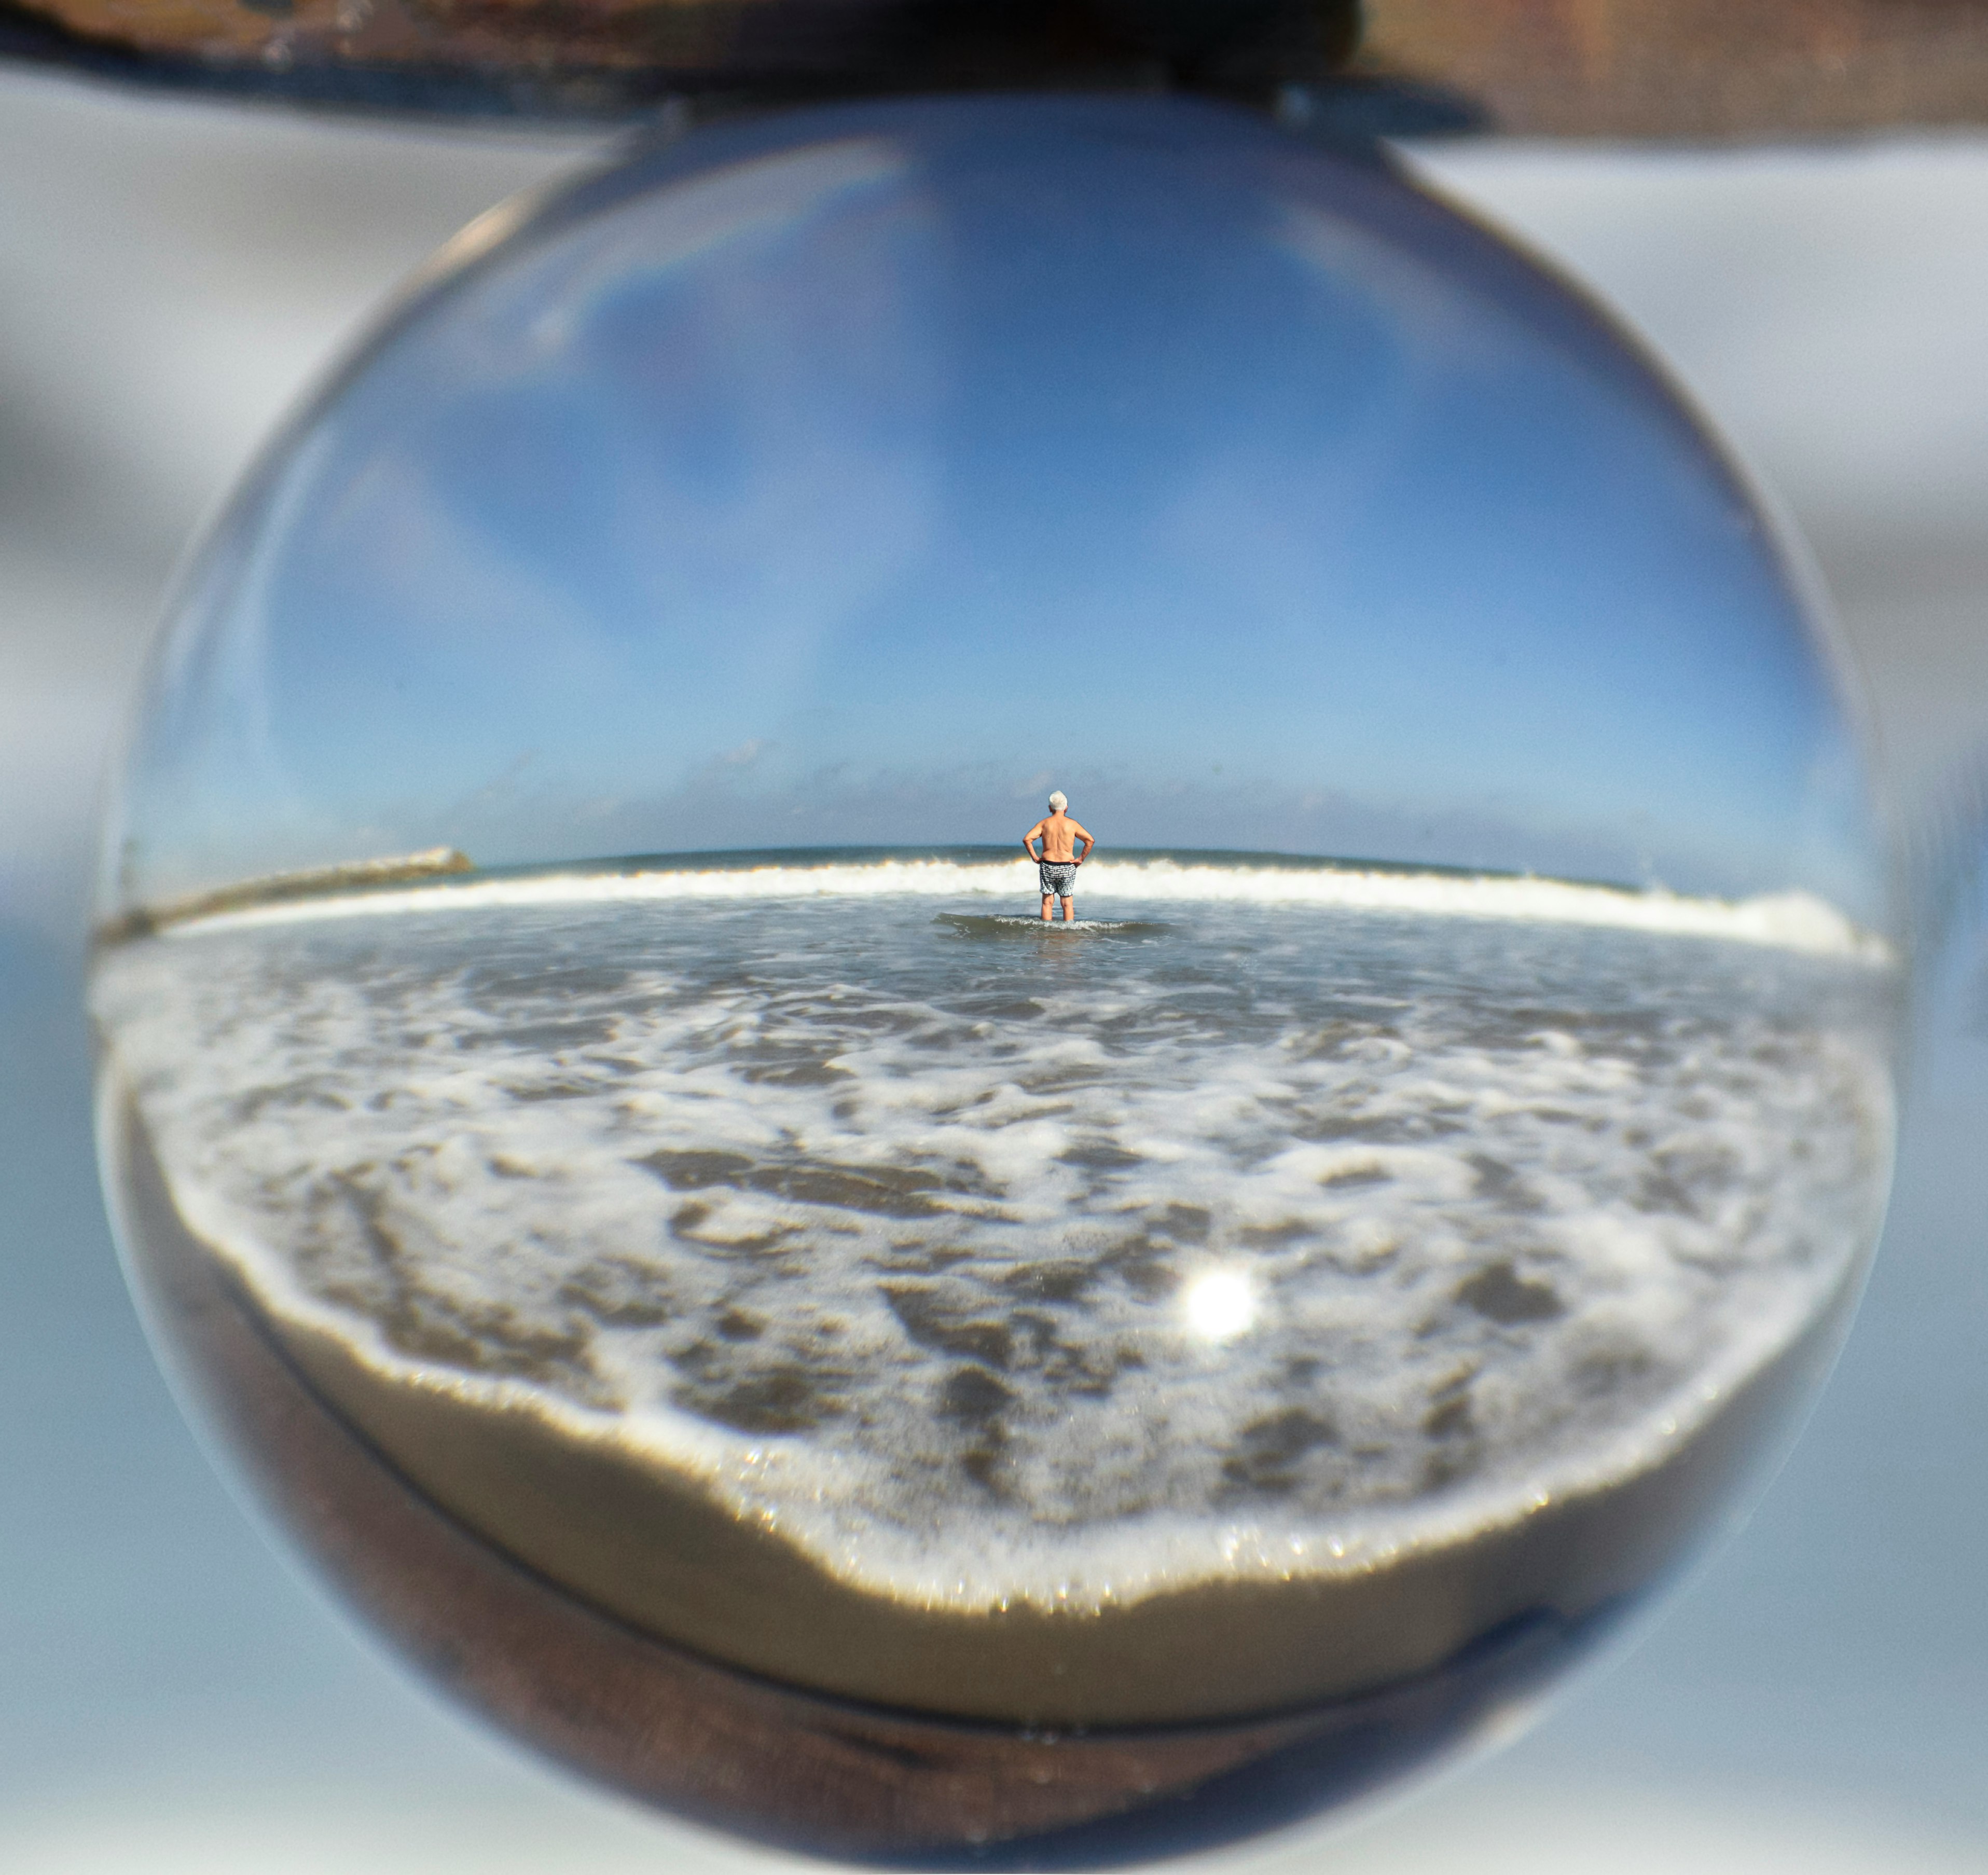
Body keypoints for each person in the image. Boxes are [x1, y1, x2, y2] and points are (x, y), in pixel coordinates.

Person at [1020, 791, 1095, 922]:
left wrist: (1036, 858)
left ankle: (1047, 931)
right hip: (1067, 866)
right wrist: (1081, 859)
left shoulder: (1044, 824)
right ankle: (1069, 932)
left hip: (1048, 865)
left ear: (1050, 808)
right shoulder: (1072, 824)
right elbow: (1090, 841)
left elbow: (1027, 839)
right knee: (1067, 904)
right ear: (1066, 808)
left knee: (1047, 903)